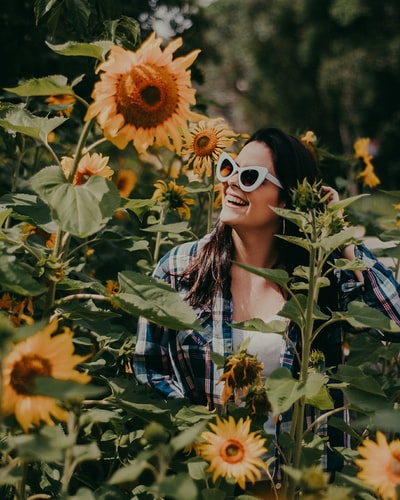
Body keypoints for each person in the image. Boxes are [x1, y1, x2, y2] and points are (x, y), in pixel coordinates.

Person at [132, 127, 400, 493]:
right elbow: (150, 370)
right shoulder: (180, 269)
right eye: (228, 169)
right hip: (212, 483)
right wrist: (203, 437)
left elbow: (395, 321)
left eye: (250, 177)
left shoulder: (321, 278)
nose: (232, 183)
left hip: (301, 485)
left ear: (289, 197)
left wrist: (341, 237)